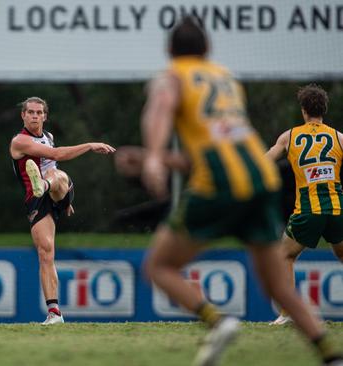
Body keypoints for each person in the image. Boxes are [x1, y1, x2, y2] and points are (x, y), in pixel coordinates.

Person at [140, 17, 342, 366]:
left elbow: (158, 110)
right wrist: (172, 161)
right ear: (207, 49)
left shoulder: (172, 76)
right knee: (278, 283)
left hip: (219, 182)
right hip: (261, 180)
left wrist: (154, 157)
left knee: (158, 266)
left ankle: (218, 322)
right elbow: (220, 144)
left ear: (169, 50)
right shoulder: (227, 79)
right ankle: (331, 355)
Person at [9, 96, 115, 325]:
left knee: (53, 175)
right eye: (31, 112)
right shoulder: (19, 141)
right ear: (23, 116)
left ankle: (46, 185)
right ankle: (54, 313)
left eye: (39, 112)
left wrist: (64, 197)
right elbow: (56, 155)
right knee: (45, 252)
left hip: (55, 186)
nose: (35, 116)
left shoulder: (48, 137)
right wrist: (89, 145)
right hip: (36, 200)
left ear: (45, 116)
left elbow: (54, 163)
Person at [265, 84, 343, 325]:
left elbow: (265, 161)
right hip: (337, 208)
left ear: (303, 110)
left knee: (284, 256)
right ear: (324, 109)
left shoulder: (290, 136)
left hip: (308, 211)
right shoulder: (339, 137)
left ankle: (286, 314)